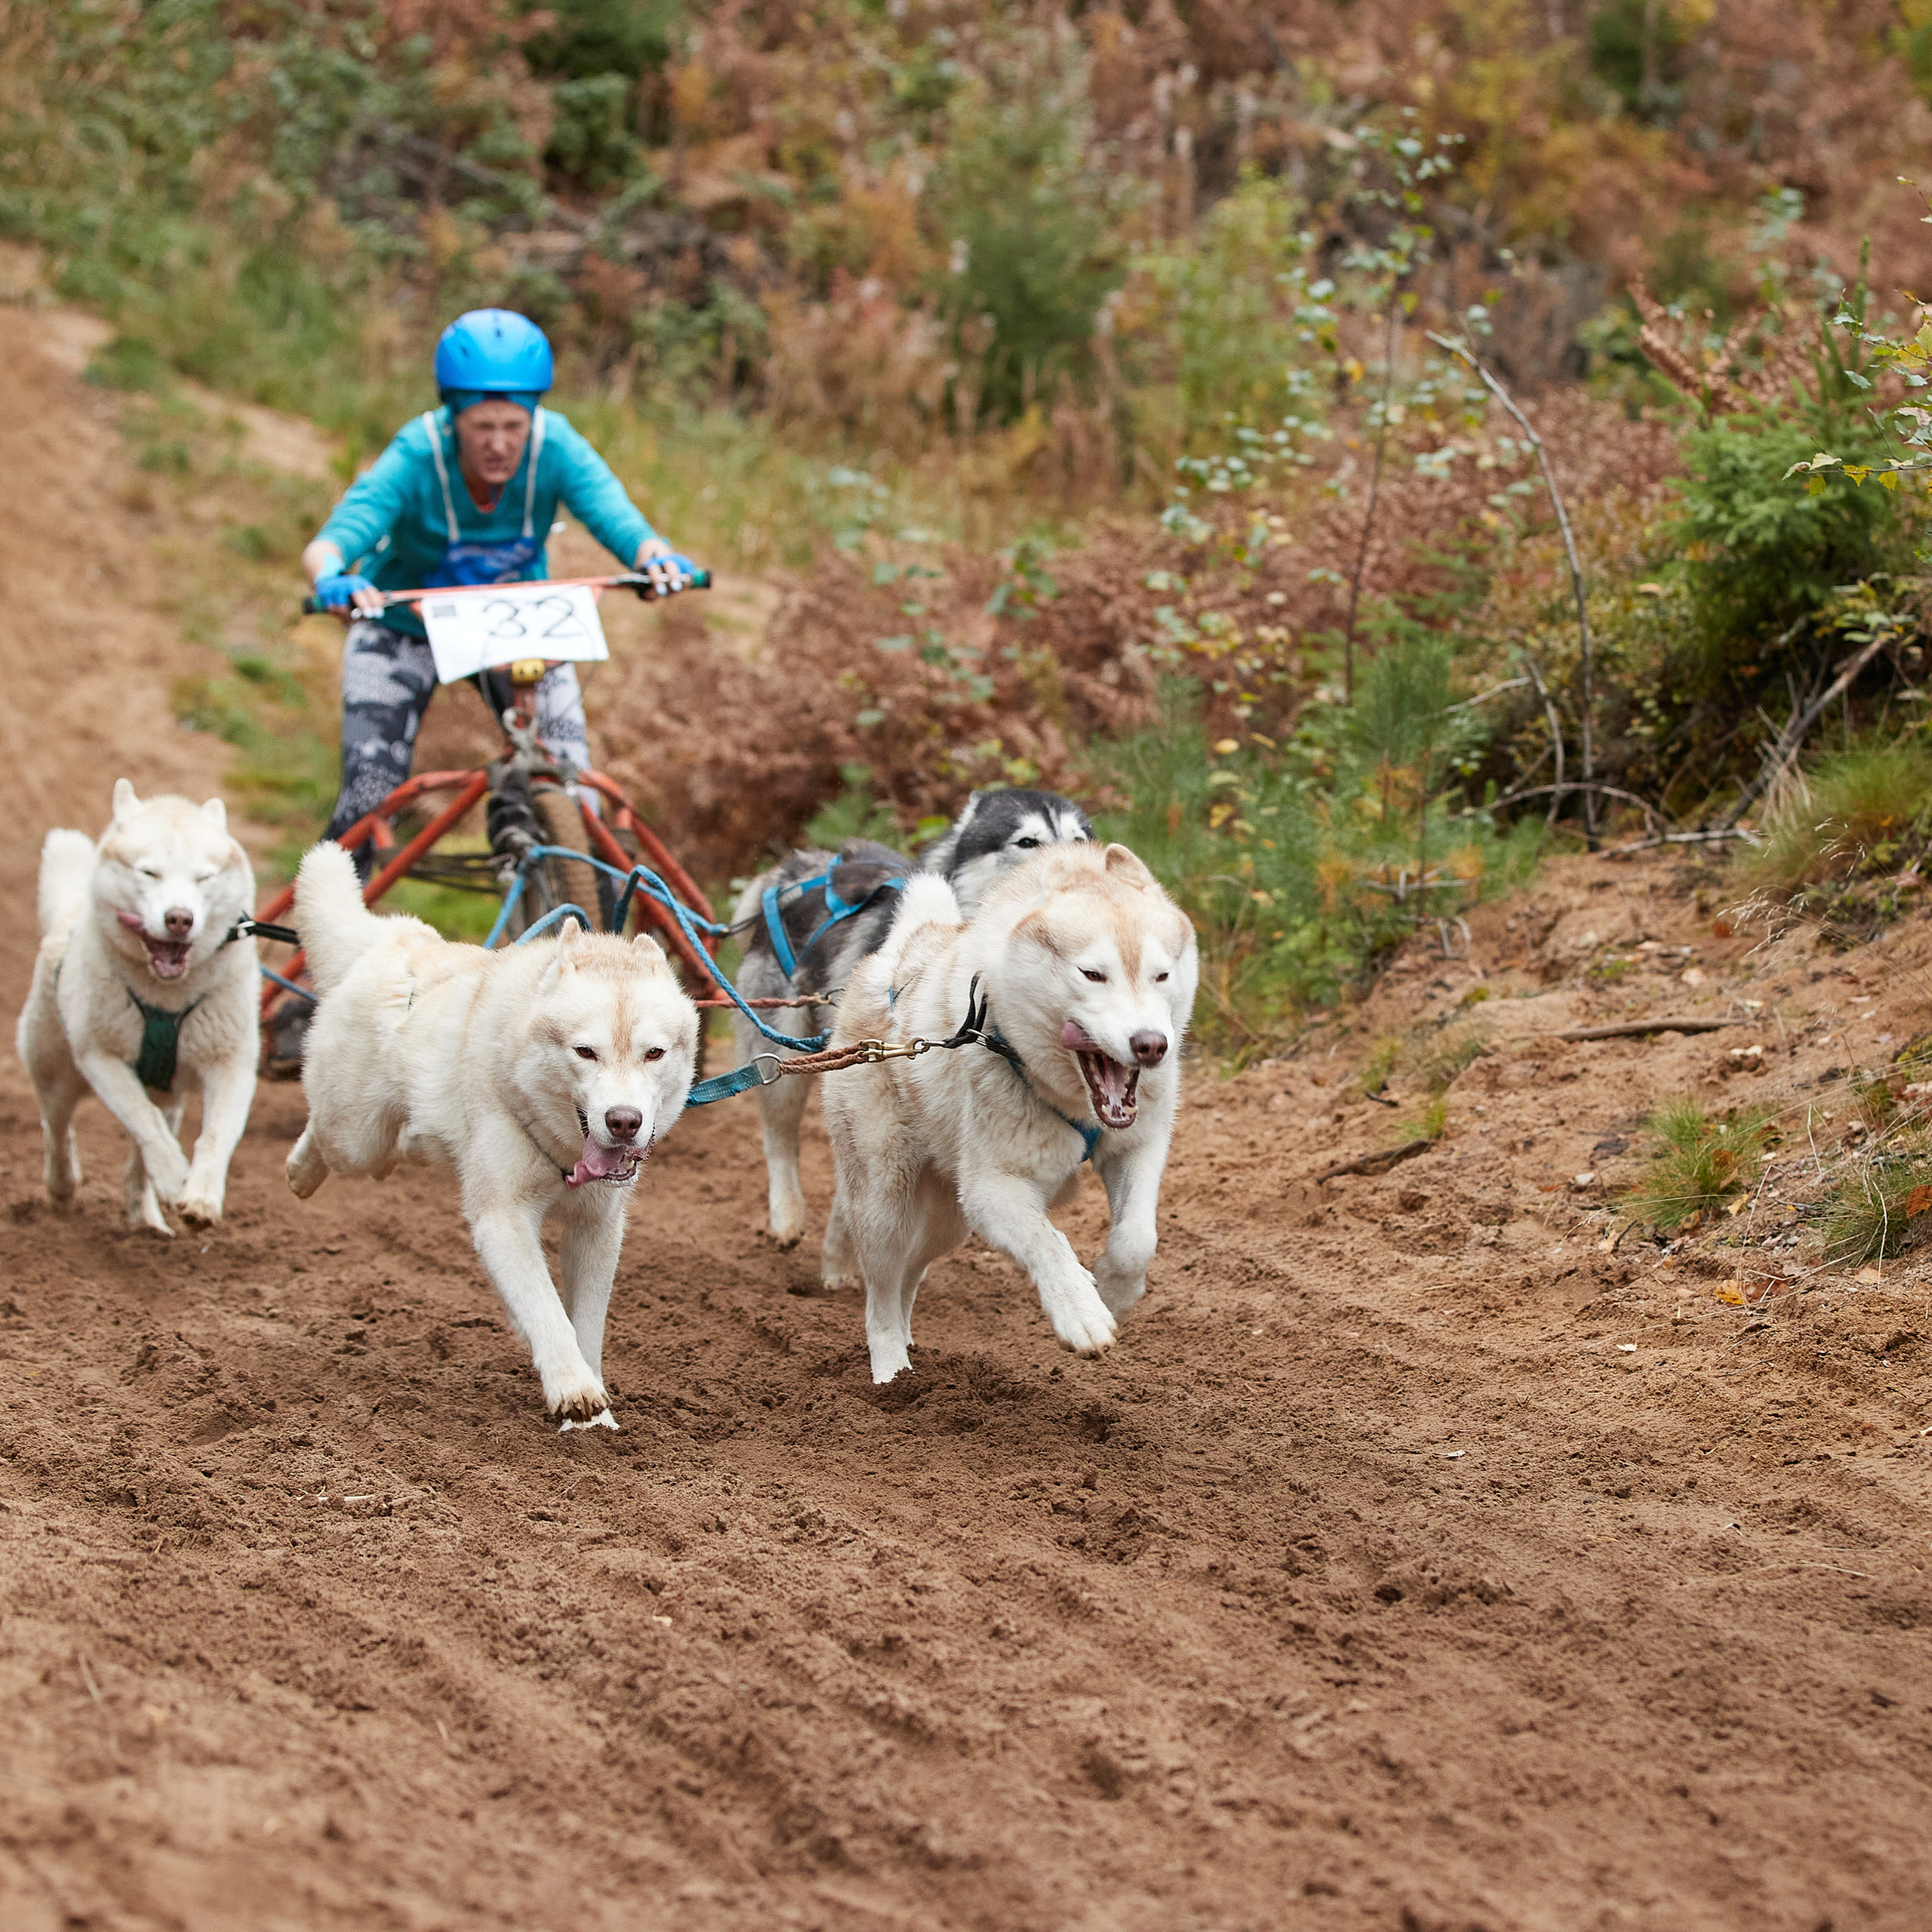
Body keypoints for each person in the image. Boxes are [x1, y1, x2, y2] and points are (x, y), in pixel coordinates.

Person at [301, 308, 684, 866]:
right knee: (371, 794)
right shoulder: (417, 452)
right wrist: (333, 579)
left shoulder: (556, 446)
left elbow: (618, 517)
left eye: (514, 426)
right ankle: (320, 935)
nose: (500, 444)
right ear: (454, 418)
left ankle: (581, 907)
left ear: (535, 417)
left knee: (573, 784)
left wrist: (656, 559)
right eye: (483, 426)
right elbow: (335, 539)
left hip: (515, 622)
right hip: (401, 626)